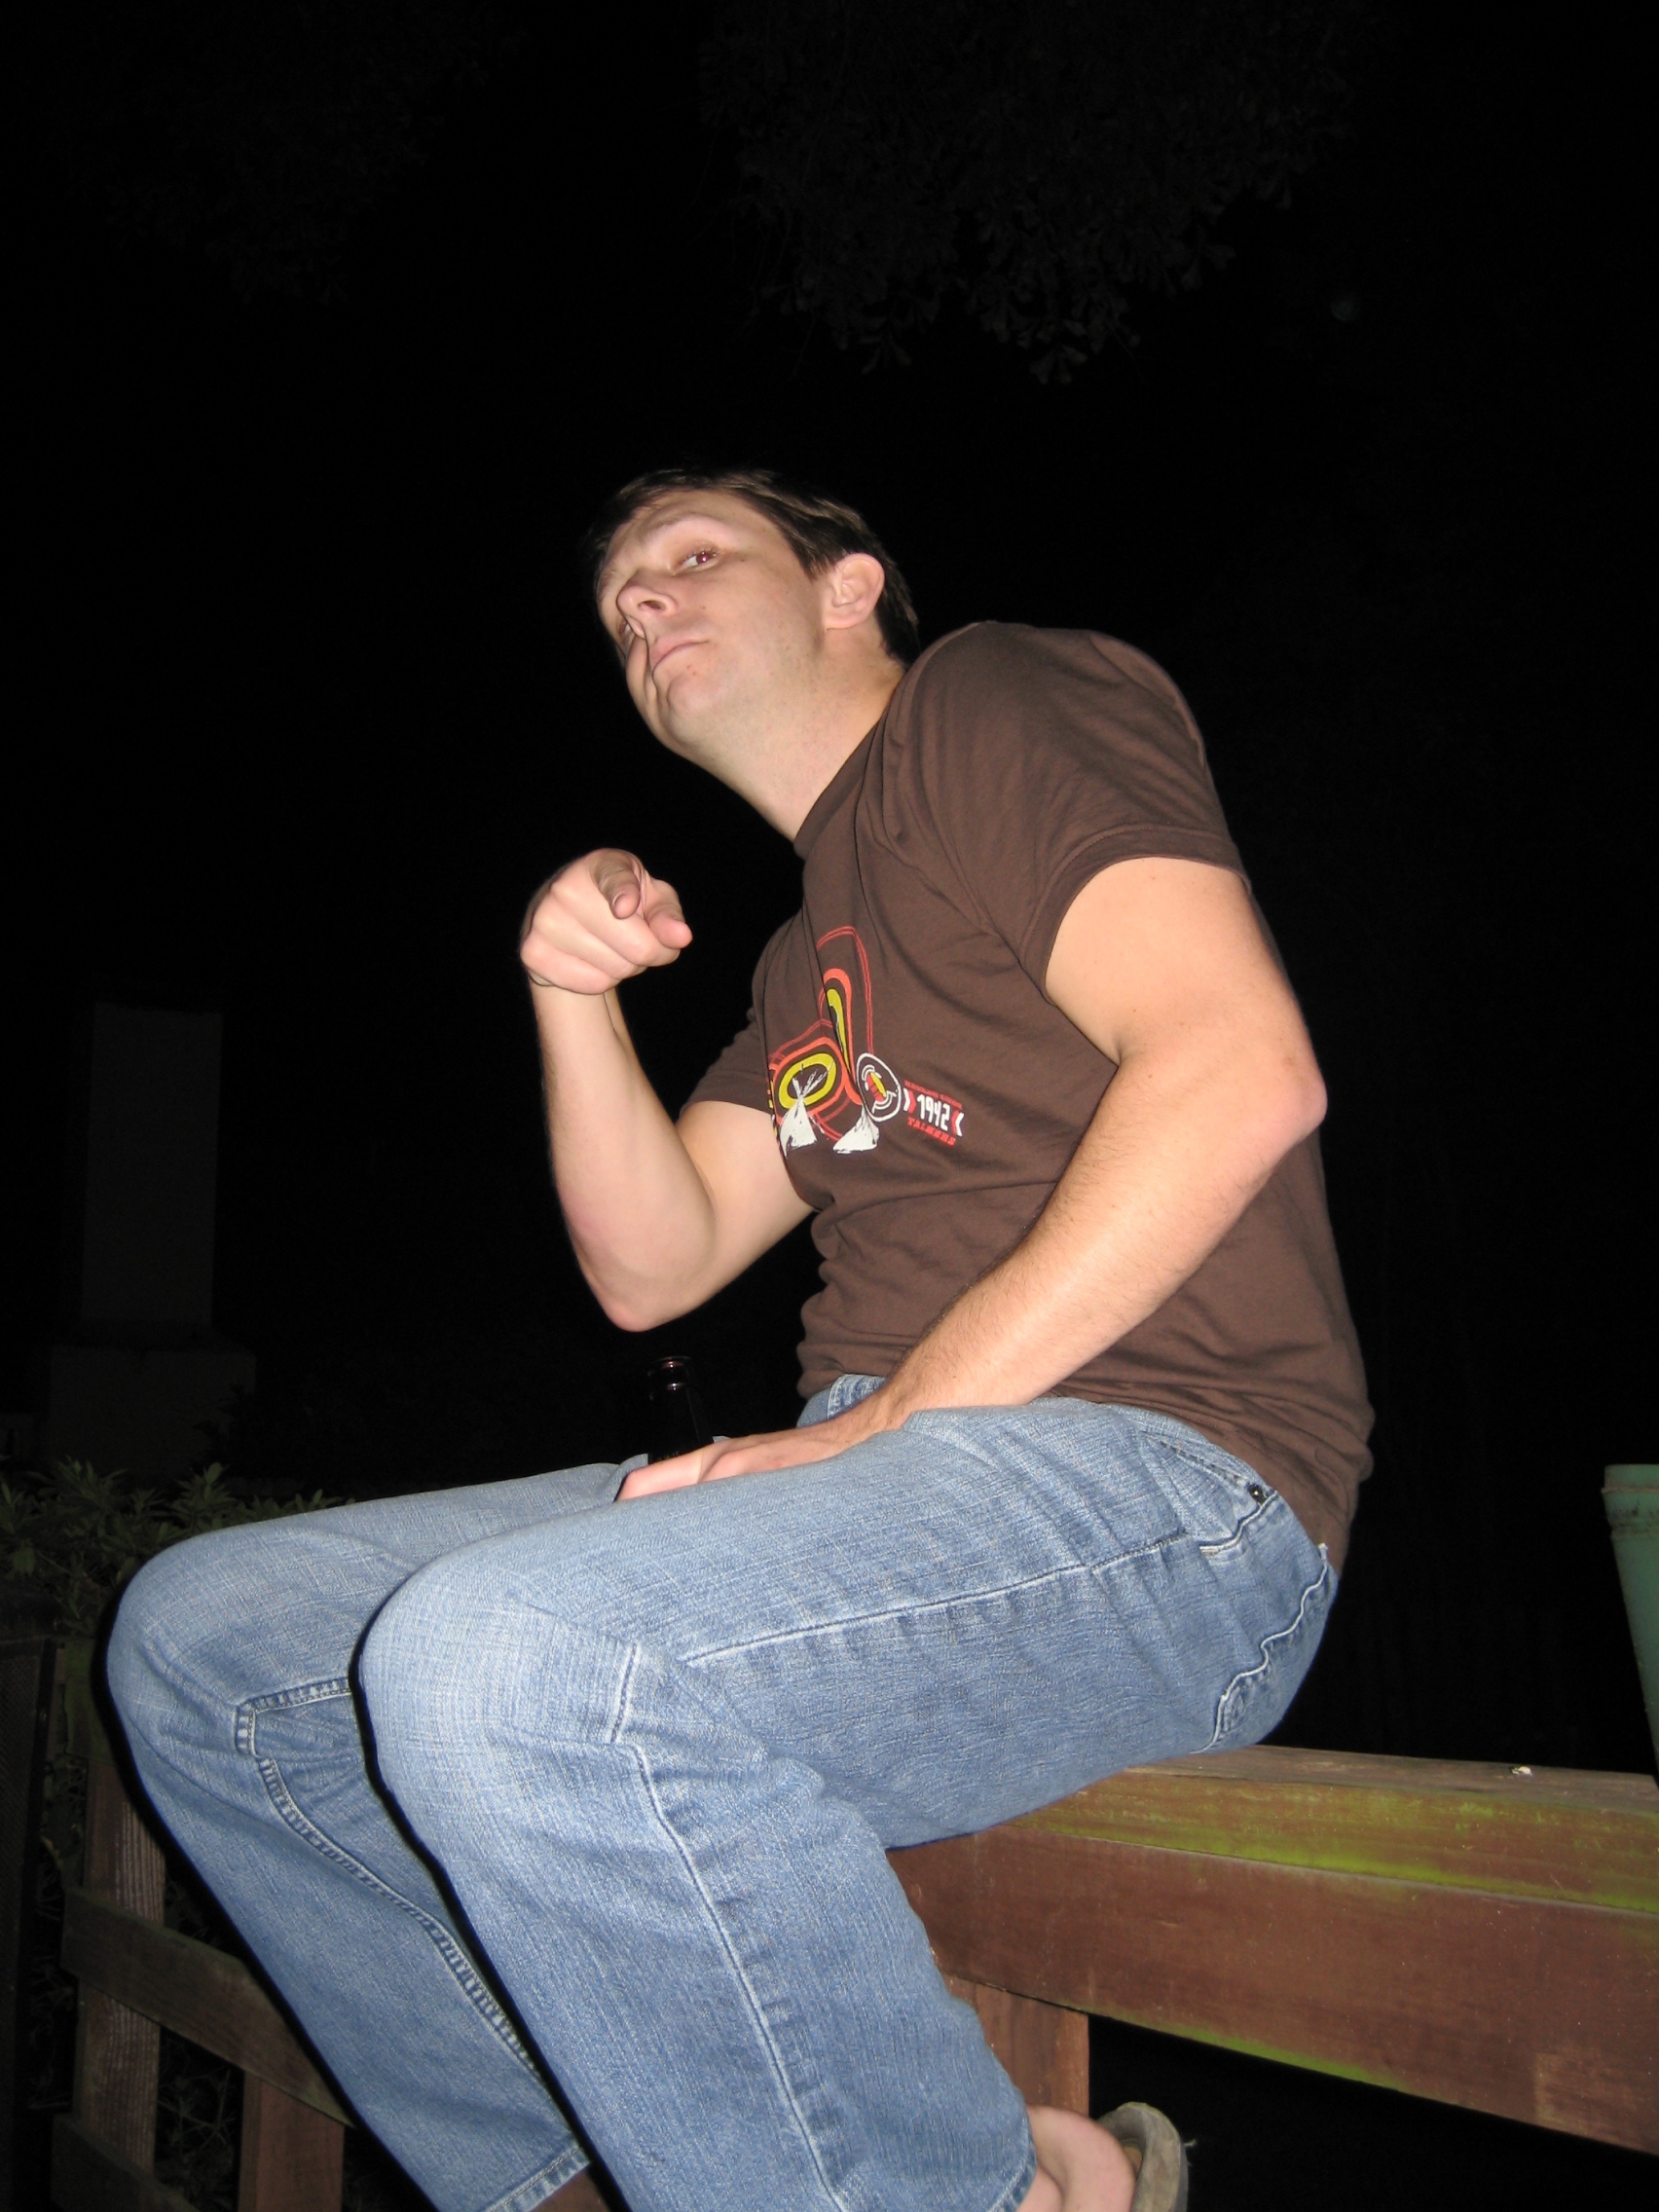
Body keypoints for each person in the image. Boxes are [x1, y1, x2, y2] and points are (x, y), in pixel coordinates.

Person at [108, 466, 1372, 2212]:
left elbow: (1238, 1068)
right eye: (619, 601)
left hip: (1161, 1487)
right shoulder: (806, 967)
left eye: (694, 557)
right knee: (211, 1648)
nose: (644, 605)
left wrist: (878, 1429)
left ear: (851, 586)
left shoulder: (994, 695)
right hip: (886, 1485)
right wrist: (569, 993)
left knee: (509, 1661)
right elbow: (657, 1260)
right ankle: (592, 2175)